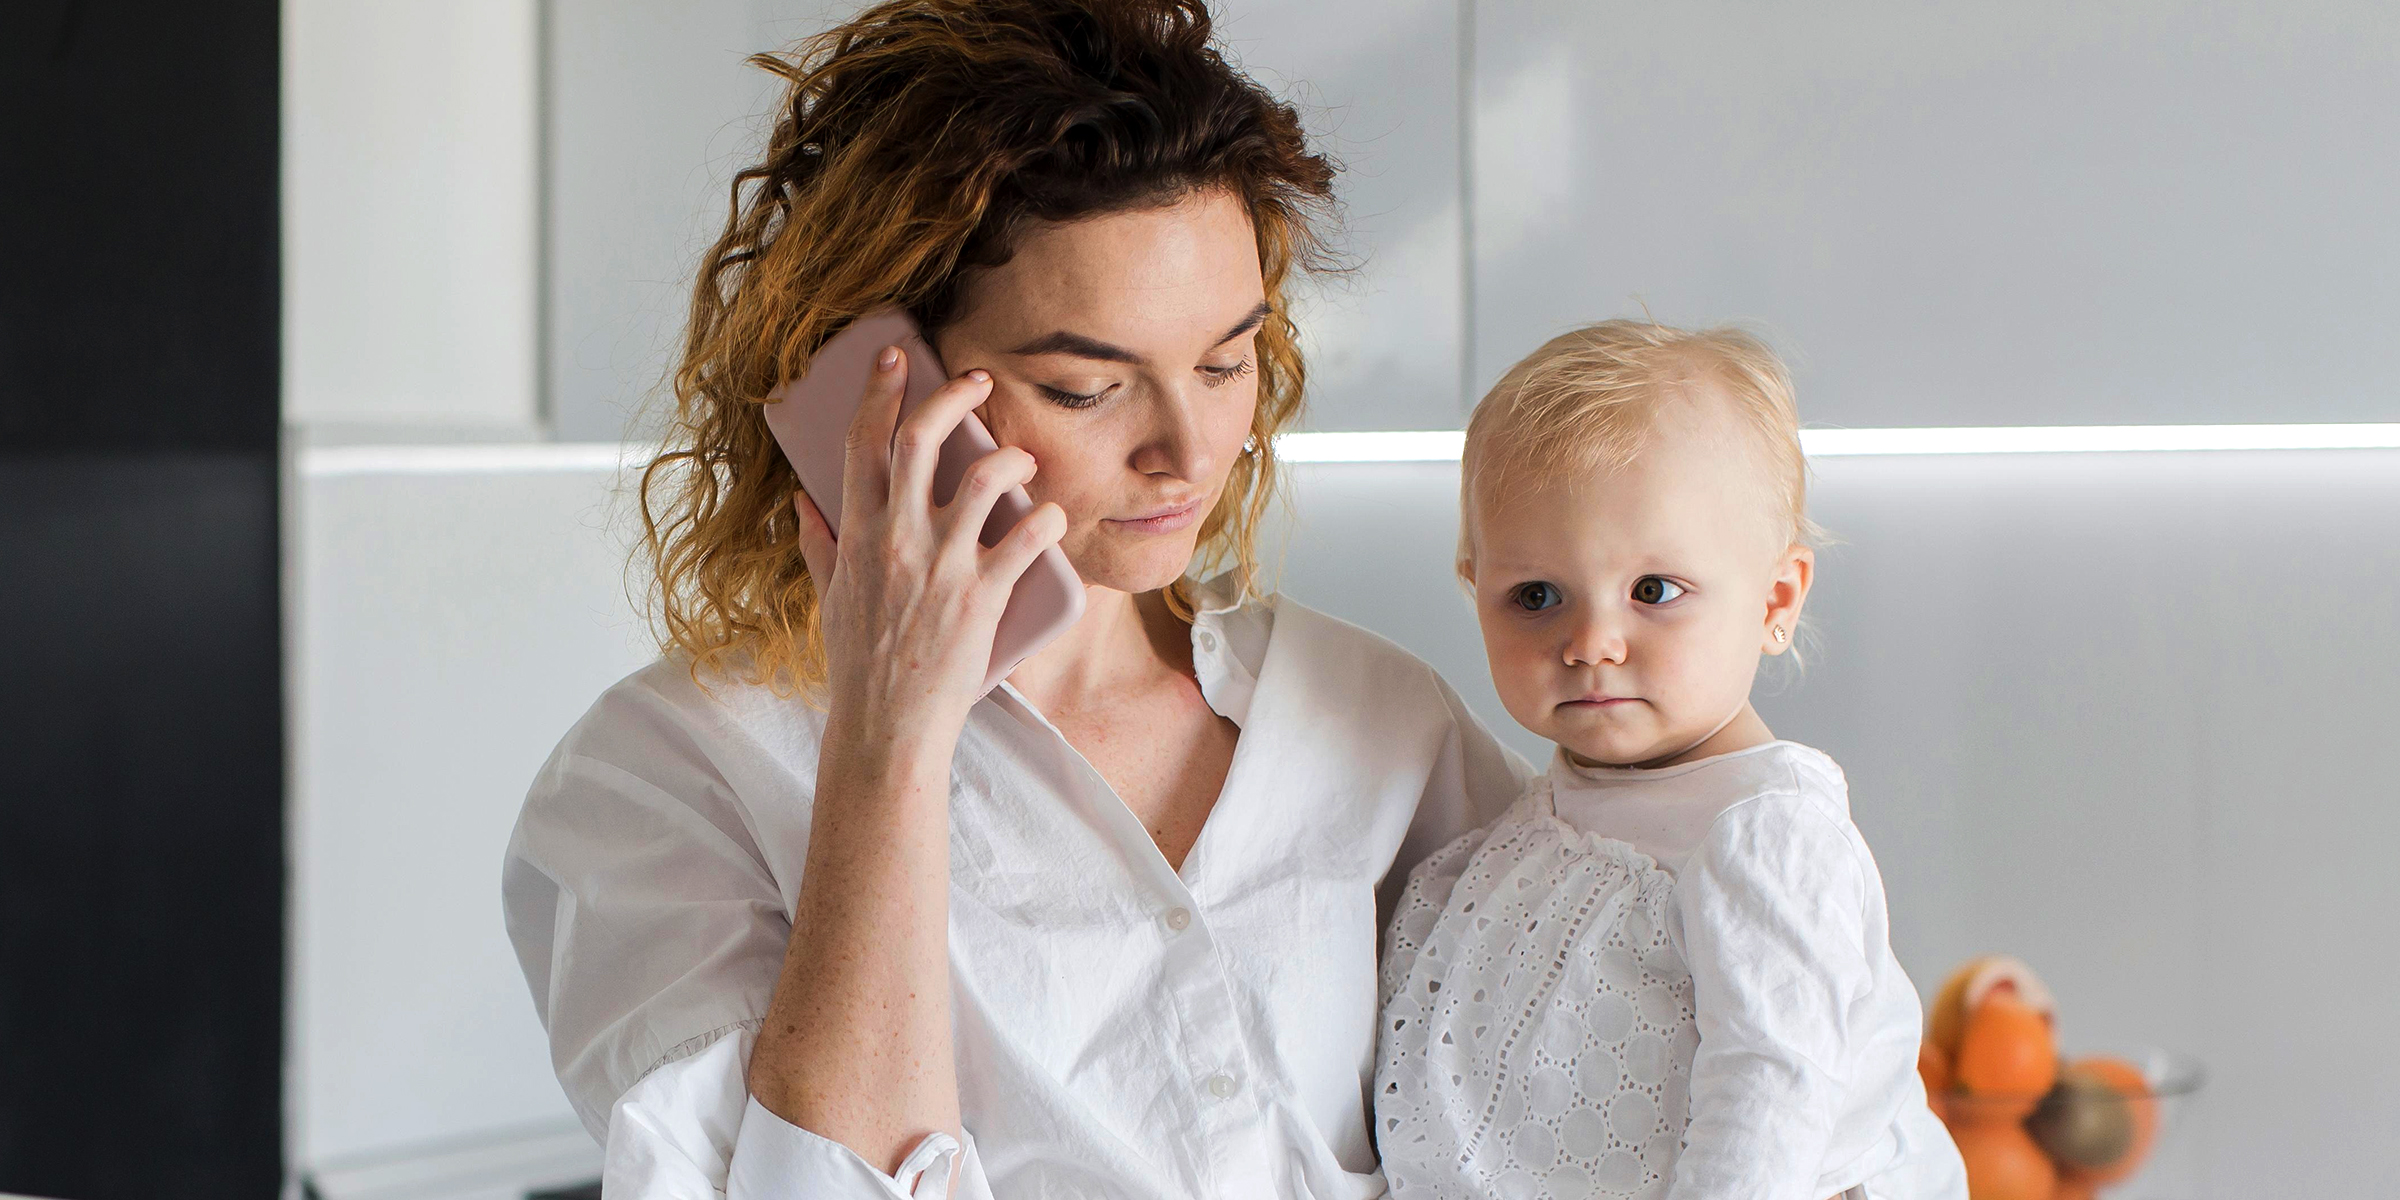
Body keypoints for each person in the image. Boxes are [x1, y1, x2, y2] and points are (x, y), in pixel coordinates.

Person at [499, 2, 1527, 1196]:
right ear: (885, 377)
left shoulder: (1379, 720)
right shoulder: (666, 775)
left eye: (1224, 360)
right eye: (1088, 387)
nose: (1189, 451)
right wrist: (891, 744)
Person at [1373, 321, 1968, 1199]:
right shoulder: (1536, 826)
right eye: (1535, 596)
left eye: (1654, 592)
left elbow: (1769, 1101)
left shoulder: (1764, 834)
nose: (1590, 642)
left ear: (1776, 599)